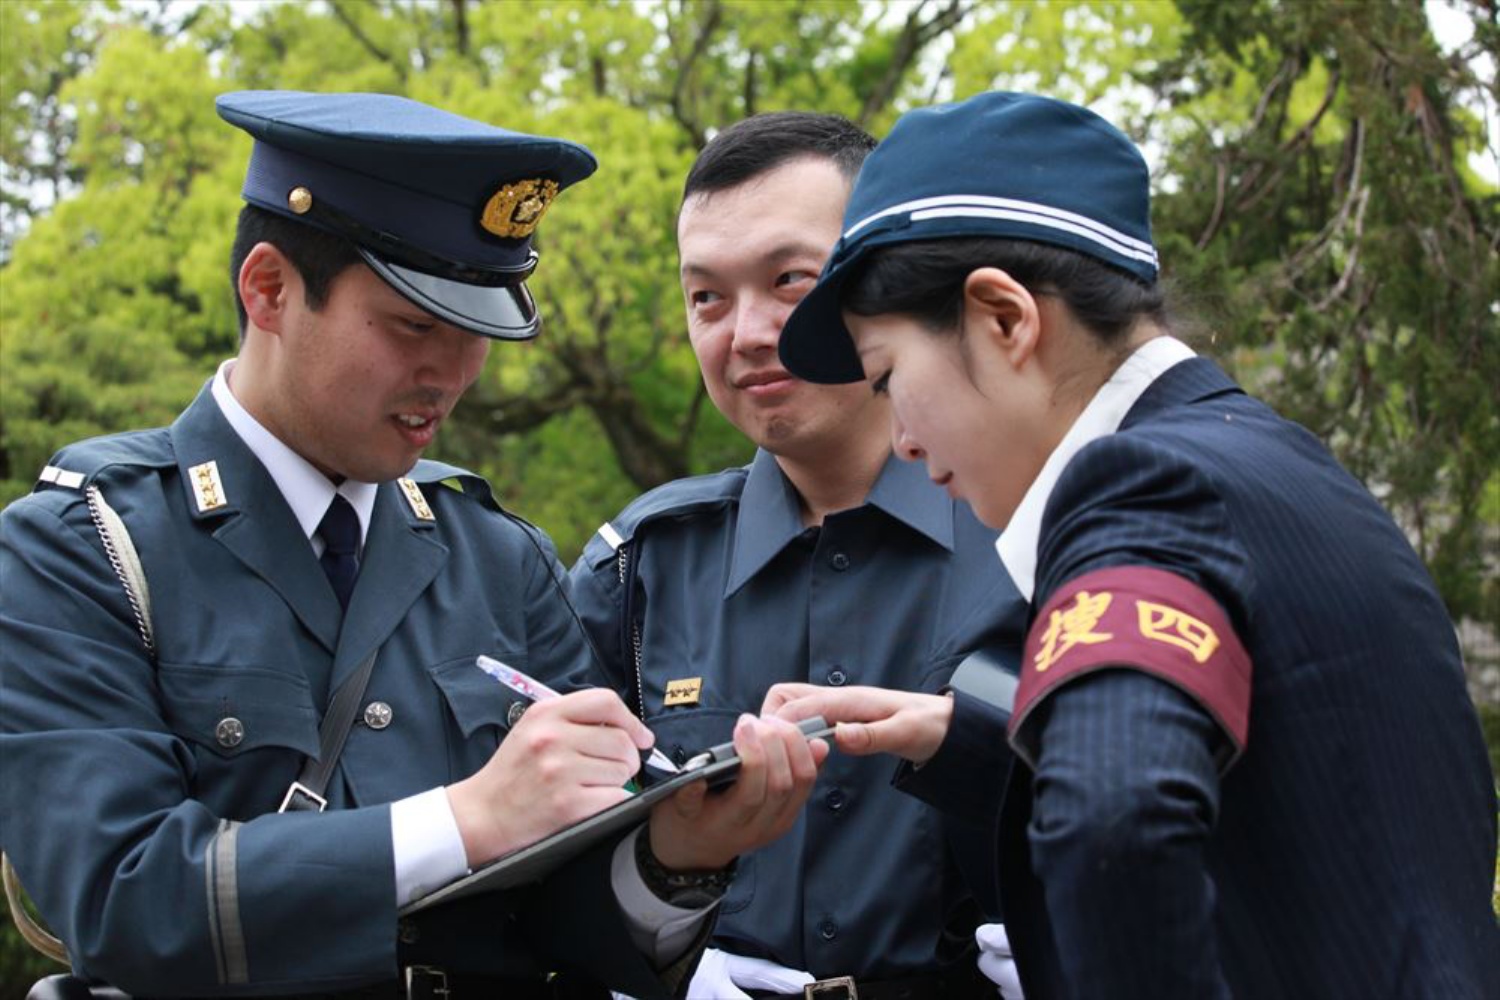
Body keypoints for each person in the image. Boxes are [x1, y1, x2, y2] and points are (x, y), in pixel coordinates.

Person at [0, 90, 828, 999]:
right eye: (414, 325)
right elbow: (123, 900)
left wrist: (675, 855)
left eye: (476, 330)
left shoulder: (496, 558)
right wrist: (468, 817)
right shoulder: (85, 549)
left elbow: (569, 919)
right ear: (269, 289)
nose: (453, 375)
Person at [764, 90, 1500, 998]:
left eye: (887, 378)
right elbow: (1276, 792)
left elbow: (1115, 819)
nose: (904, 441)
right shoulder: (1265, 456)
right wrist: (969, 742)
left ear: (1004, 318)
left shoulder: (1140, 488)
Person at [565, 112, 1029, 999]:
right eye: (707, 297)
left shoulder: (1035, 540)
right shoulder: (641, 570)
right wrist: (661, 928)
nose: (744, 331)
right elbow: (559, 878)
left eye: (790, 280)